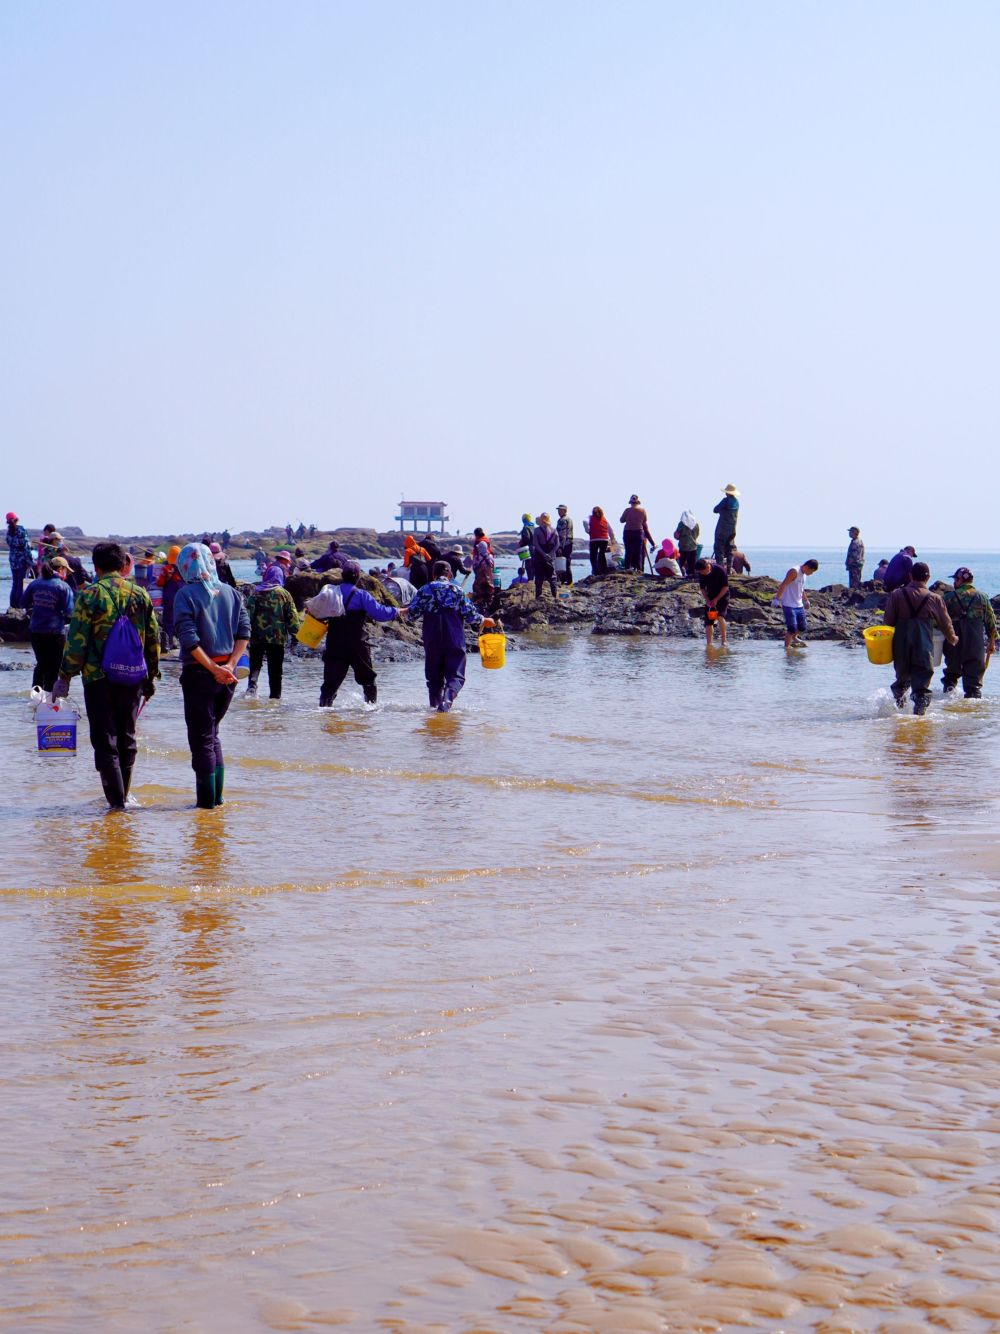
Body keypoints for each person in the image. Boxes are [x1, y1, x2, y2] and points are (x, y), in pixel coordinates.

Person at [52, 541, 159, 809]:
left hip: (98, 679)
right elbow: (154, 639)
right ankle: (123, 798)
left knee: (105, 740)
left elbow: (77, 640)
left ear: (95, 566)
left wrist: (64, 676)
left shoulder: (90, 595)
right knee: (127, 737)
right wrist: (151, 677)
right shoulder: (140, 594)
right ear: (123, 564)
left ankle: (116, 805)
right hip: (133, 676)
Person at [173, 543, 250, 808]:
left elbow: (188, 639)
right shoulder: (231, 592)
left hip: (200, 673)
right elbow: (244, 633)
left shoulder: (185, 595)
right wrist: (229, 665)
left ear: (185, 566)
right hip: (227, 677)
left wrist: (214, 668)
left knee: (201, 738)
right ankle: (217, 800)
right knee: (212, 734)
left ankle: (206, 803)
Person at [405, 560, 493, 711]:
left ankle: (434, 709)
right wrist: (485, 620)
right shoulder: (457, 590)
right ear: (450, 574)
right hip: (454, 637)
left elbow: (412, 615)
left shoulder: (425, 589)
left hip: (432, 637)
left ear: (433, 574)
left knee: (434, 677)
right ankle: (447, 701)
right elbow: (471, 615)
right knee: (455, 675)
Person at [320, 562, 398, 707]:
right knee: (368, 681)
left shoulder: (331, 593)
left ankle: (324, 714)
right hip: (358, 645)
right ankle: (371, 712)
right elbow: (380, 613)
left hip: (335, 644)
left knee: (330, 685)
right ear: (357, 577)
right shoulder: (361, 595)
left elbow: (317, 612)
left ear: (342, 576)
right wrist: (397, 611)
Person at [883, 562, 957, 715]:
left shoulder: (897, 594)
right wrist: (952, 638)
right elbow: (945, 623)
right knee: (922, 679)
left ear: (910, 576)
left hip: (901, 644)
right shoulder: (935, 598)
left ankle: (899, 712)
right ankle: (919, 715)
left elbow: (888, 622)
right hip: (923, 644)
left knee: (902, 678)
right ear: (928, 577)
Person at [245, 564, 301, 699]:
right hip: (277, 639)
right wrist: (296, 634)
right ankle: (275, 700)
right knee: (275, 671)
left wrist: (244, 636)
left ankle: (252, 687)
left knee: (255, 664)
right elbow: (292, 618)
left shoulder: (256, 593)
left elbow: (247, 615)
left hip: (256, 637)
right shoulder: (284, 594)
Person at [942, 567, 996, 699]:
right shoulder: (982, 597)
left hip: (953, 641)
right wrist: (992, 642)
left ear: (960, 580)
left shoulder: (948, 598)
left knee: (951, 675)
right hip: (975, 642)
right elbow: (991, 622)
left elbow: (938, 620)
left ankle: (947, 703)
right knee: (974, 682)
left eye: (955, 579)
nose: (954, 582)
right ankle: (972, 711)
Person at [24, 556, 76, 690]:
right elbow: (70, 611)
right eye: (66, 571)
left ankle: (35, 696)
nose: (67, 574)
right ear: (61, 569)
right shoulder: (64, 587)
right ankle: (49, 701)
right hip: (55, 634)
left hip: (36, 631)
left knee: (41, 664)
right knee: (54, 666)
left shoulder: (35, 583)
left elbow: (22, 602)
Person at [774, 559, 820, 650]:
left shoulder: (804, 575)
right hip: (788, 604)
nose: (812, 574)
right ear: (807, 567)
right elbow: (783, 585)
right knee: (791, 628)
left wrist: (806, 600)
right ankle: (787, 648)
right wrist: (777, 599)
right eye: (812, 571)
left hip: (799, 605)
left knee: (802, 627)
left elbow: (801, 588)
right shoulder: (794, 571)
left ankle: (794, 638)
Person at [696, 557, 729, 647]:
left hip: (722, 596)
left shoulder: (720, 570)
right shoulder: (701, 573)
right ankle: (709, 643)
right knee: (710, 620)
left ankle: (724, 640)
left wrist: (717, 599)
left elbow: (725, 587)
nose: (702, 574)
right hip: (710, 597)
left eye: (702, 571)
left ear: (707, 567)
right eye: (700, 572)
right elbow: (702, 588)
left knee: (720, 616)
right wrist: (708, 600)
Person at [157, 545, 183, 651]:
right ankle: (180, 642)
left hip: (169, 598)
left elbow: (160, 583)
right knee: (181, 619)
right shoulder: (184, 568)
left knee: (168, 621)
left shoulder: (167, 569)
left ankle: (169, 643)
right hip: (182, 598)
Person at [5, 512, 33, 608]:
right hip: (22, 560)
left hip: (13, 560)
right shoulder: (21, 530)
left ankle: (13, 605)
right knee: (21, 583)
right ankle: (20, 606)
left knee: (15, 583)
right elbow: (25, 547)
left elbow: (10, 544)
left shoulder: (9, 532)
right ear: (17, 519)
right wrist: (30, 561)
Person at [619, 495, 654, 572]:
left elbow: (621, 520)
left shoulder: (627, 510)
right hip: (638, 532)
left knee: (628, 551)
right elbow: (644, 521)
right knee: (638, 552)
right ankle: (639, 569)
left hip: (628, 532)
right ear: (638, 502)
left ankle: (627, 567)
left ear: (631, 502)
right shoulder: (643, 511)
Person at [531, 513, 560, 598]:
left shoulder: (536, 530)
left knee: (539, 576)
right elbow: (557, 544)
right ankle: (555, 596)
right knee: (552, 576)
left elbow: (535, 544)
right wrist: (551, 553)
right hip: (551, 555)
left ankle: (538, 596)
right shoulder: (554, 530)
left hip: (540, 555)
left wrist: (544, 554)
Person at [712, 485, 740, 572]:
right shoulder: (736, 502)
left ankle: (720, 569)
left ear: (727, 493)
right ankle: (729, 568)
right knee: (730, 548)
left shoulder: (725, 501)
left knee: (719, 547)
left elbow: (715, 509)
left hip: (722, 528)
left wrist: (722, 510)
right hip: (732, 529)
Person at [470, 539, 496, 612]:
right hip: (489, 580)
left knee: (478, 593)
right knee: (489, 594)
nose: (477, 549)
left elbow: (474, 568)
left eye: (478, 548)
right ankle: (488, 608)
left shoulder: (476, 557)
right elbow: (493, 567)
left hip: (479, 580)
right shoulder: (490, 556)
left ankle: (480, 609)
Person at [584, 506, 610, 575]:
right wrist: (613, 539)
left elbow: (584, 521)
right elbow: (610, 529)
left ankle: (595, 571)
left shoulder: (590, 517)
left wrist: (588, 530)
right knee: (602, 555)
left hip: (594, 539)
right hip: (604, 539)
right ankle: (604, 570)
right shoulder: (604, 518)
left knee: (593, 556)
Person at [674, 510, 700, 577]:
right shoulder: (696, 524)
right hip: (693, 546)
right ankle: (691, 576)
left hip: (683, 546)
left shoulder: (682, 524)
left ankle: (678, 575)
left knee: (680, 562)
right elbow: (697, 534)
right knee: (692, 563)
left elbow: (677, 535)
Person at [556, 505, 574, 585]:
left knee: (563, 562)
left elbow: (562, 534)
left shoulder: (562, 520)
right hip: (569, 542)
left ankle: (564, 581)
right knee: (567, 562)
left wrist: (560, 547)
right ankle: (569, 581)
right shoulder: (569, 519)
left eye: (560, 510)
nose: (558, 512)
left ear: (564, 510)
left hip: (564, 544)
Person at [518, 514, 535, 580]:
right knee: (533, 565)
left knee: (528, 565)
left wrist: (521, 542)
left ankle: (530, 580)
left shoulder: (525, 527)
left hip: (527, 549)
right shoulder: (534, 527)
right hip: (535, 548)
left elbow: (527, 538)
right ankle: (532, 579)